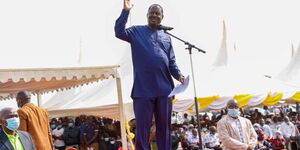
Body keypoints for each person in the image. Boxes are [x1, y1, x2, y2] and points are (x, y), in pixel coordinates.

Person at [114, 0, 185, 149]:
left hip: (165, 90)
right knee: (143, 129)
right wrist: (125, 11)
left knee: (164, 128)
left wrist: (179, 76)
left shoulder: (167, 37)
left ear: (162, 17)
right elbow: (119, 31)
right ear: (147, 15)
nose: (154, 15)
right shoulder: (136, 31)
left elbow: (171, 62)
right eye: (151, 13)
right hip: (143, 89)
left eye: (157, 13)